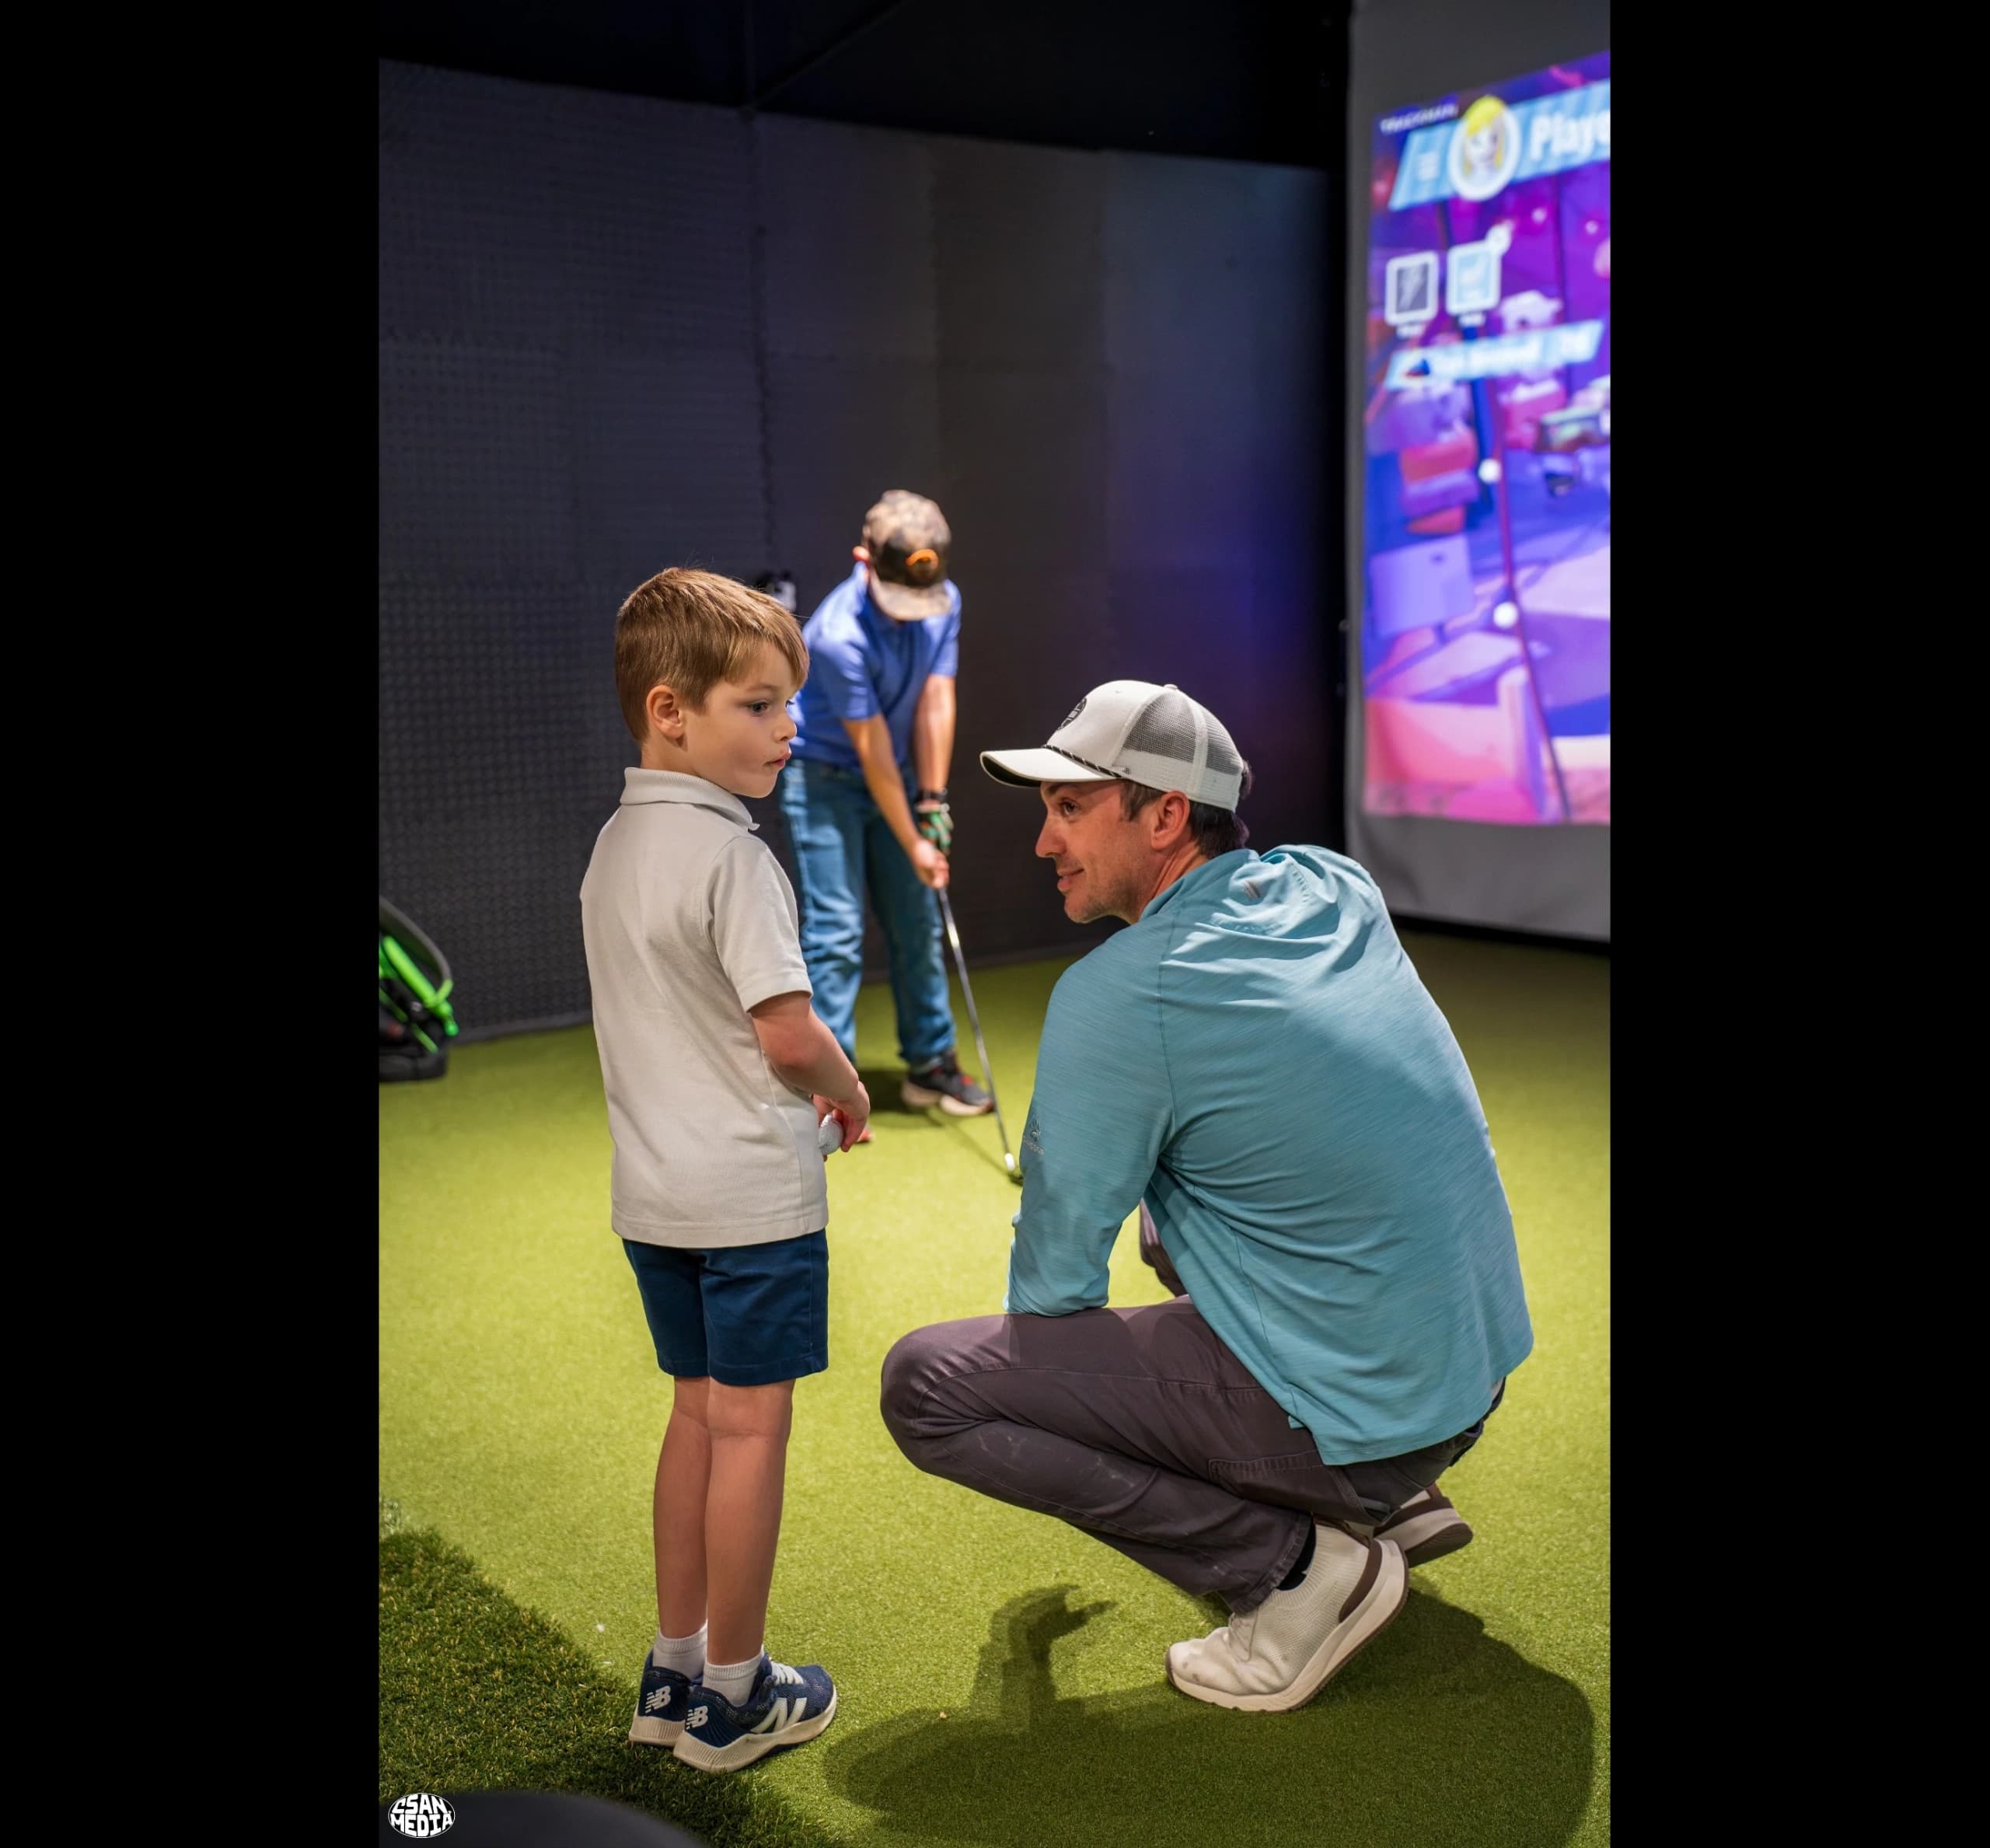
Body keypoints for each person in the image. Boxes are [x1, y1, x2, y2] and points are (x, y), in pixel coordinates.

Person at [879, 679, 1532, 1713]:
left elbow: (1053, 1291)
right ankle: (1391, 1499)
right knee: (1183, 1214)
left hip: (1376, 1414)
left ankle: (1296, 1570)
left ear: (1167, 815)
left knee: (929, 1386)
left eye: (1071, 809)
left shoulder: (1119, 994)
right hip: (1472, 1376)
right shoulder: (1335, 884)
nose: (1045, 843)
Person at [580, 568, 870, 1772]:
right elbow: (788, 1030)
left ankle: (675, 1669)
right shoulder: (734, 858)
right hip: (749, 1203)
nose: (786, 727)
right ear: (670, 712)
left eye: (788, 704)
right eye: (758, 705)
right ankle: (739, 1698)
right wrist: (849, 1093)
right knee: (750, 1433)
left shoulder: (615, 844)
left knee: (696, 1416)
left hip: (654, 1203)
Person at [778, 491, 993, 1123]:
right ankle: (831, 1087)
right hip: (824, 778)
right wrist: (916, 839)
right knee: (838, 931)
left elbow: (936, 702)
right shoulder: (836, 635)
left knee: (918, 921)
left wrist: (933, 801)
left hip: (897, 774)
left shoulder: (943, 601)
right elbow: (870, 753)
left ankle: (931, 1066)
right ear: (863, 561)